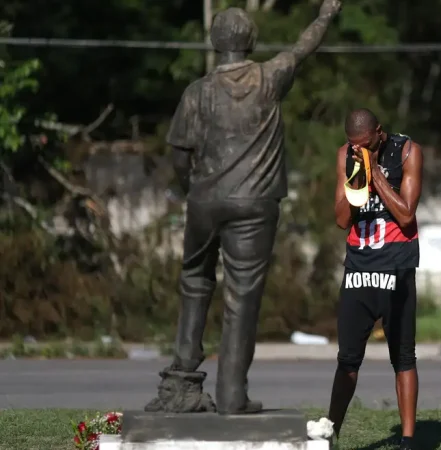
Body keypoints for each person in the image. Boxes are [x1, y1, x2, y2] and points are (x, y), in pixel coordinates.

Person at [145, 2, 341, 415]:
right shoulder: (269, 77)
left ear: (215, 44)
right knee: (242, 296)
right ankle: (232, 393)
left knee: (194, 280)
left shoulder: (197, 92)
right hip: (254, 204)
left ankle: (181, 379)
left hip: (204, 200)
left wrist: (193, 189)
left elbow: (179, 154)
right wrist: (325, 15)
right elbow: (304, 47)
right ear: (250, 41)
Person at [326, 108, 423, 449]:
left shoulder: (408, 151)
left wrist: (377, 177)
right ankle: (330, 434)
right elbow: (342, 220)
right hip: (359, 267)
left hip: (397, 267)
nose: (360, 150)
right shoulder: (346, 155)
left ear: (379, 133)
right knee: (348, 360)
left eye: (366, 145)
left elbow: (406, 215)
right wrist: (358, 178)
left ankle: (407, 440)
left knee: (404, 357)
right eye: (355, 145)